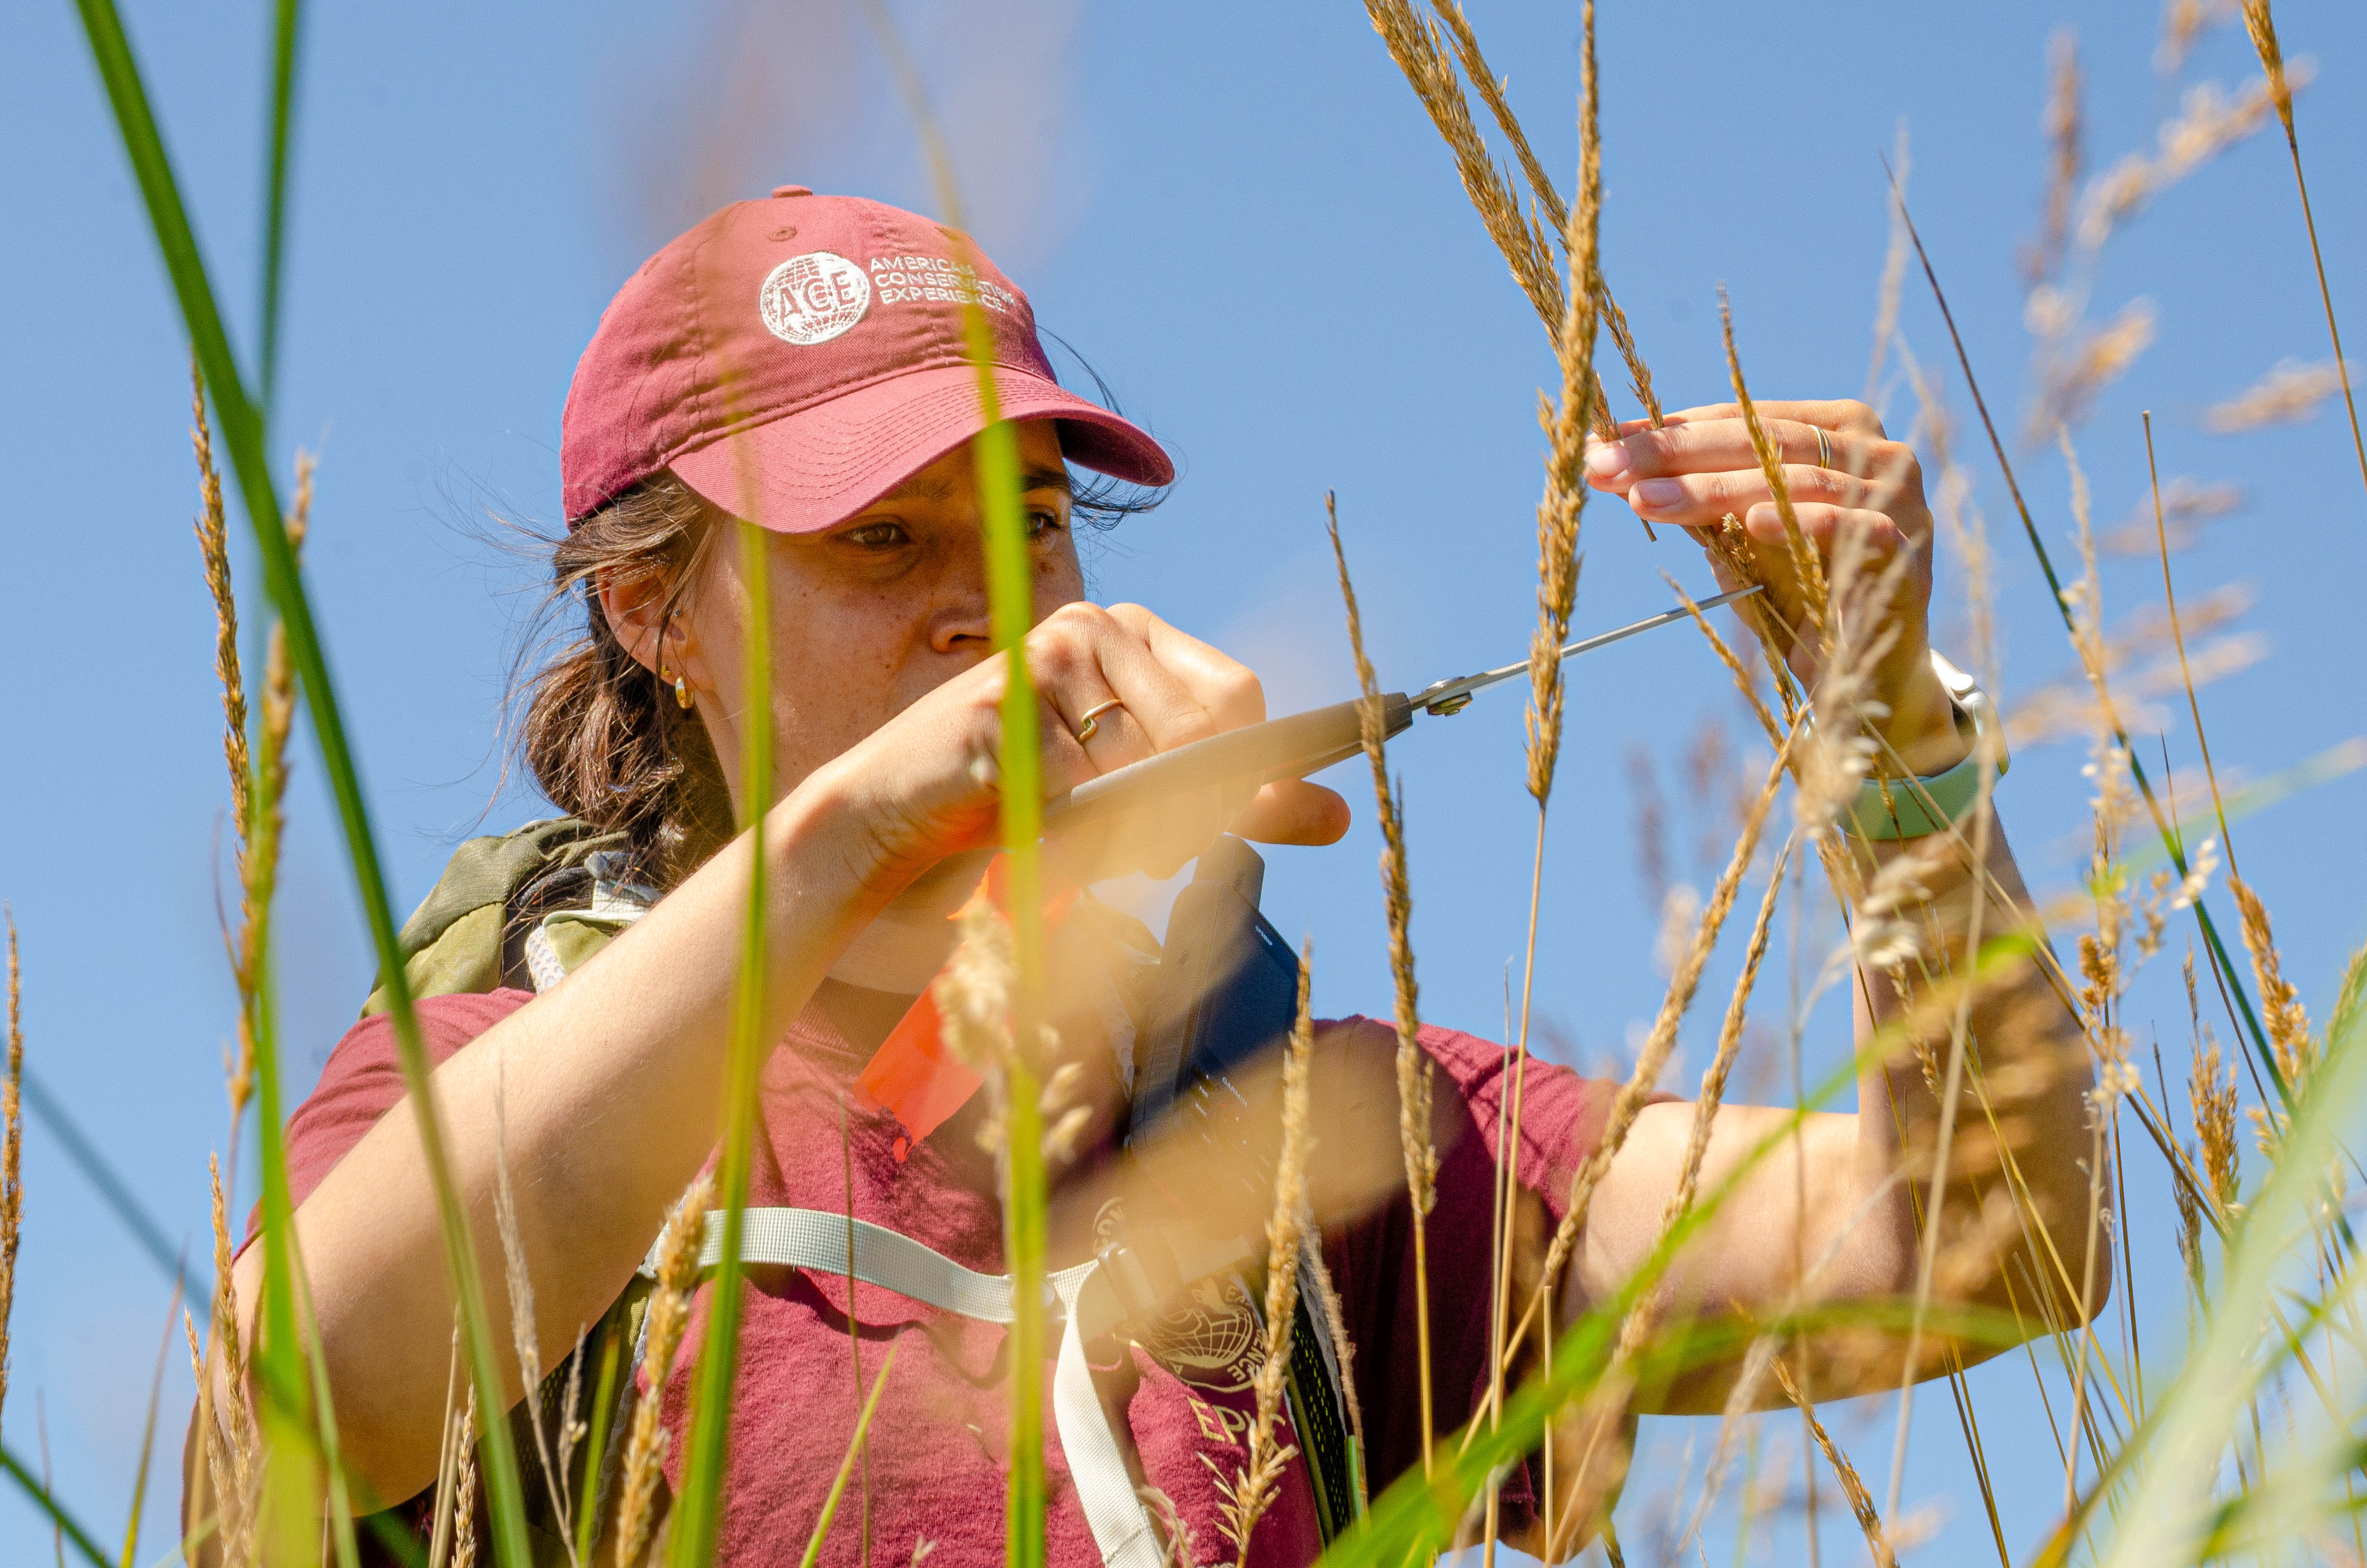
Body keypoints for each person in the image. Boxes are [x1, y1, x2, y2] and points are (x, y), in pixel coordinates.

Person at [188, 187, 2101, 1567]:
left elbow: (1977, 1245)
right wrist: (845, 847)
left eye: (1030, 525)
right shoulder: (517, 1060)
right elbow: (312, 1406)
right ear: (649, 609)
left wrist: (1890, 730)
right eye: (880, 540)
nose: (985, 607)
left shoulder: (1289, 1128)